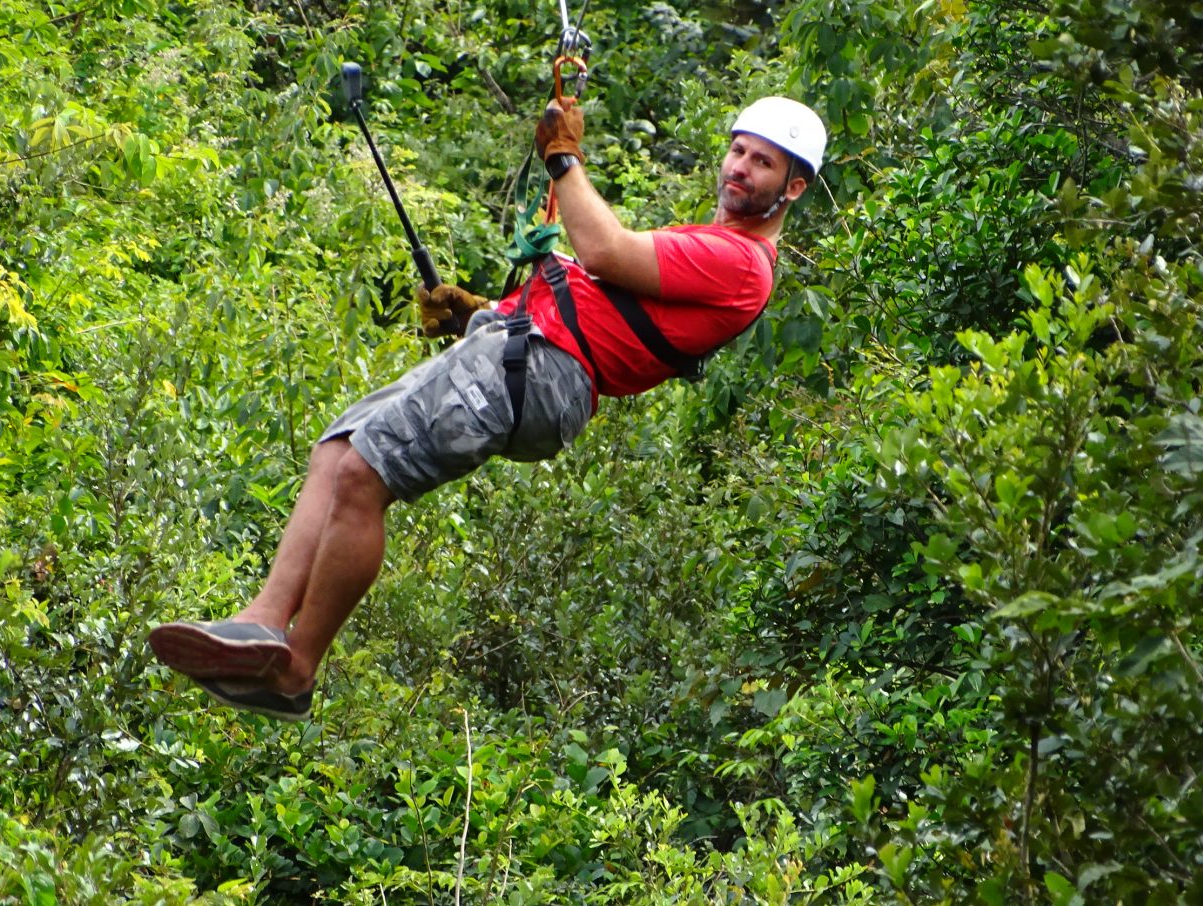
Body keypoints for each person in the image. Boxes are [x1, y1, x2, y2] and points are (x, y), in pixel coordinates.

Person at [148, 93, 827, 720]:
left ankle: (295, 670)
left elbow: (604, 251)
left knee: (364, 473)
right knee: (340, 445)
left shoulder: (741, 263)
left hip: (543, 373)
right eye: (739, 151)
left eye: (762, 162)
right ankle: (262, 619)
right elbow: (606, 311)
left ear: (792, 187)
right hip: (521, 349)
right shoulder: (713, 245)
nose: (741, 167)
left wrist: (564, 158)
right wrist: (480, 315)